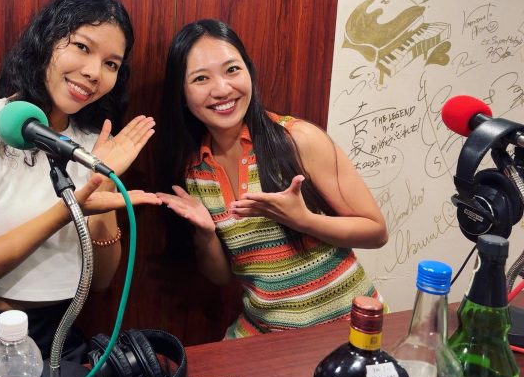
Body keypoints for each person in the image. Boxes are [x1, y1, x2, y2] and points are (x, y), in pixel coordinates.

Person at [0, 0, 160, 377]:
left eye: (111, 64)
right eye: (82, 47)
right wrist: (67, 211)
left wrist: (100, 187)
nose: (94, 72)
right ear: (46, 41)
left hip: (61, 340)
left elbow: (101, 281)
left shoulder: (93, 143)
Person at [156, 19, 387, 339]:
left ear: (249, 72)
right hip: (266, 331)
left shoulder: (297, 139)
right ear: (182, 94)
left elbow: (376, 232)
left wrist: (303, 220)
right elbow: (221, 277)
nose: (222, 89)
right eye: (200, 78)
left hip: (343, 327)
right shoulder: (195, 172)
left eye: (232, 70)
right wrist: (206, 234)